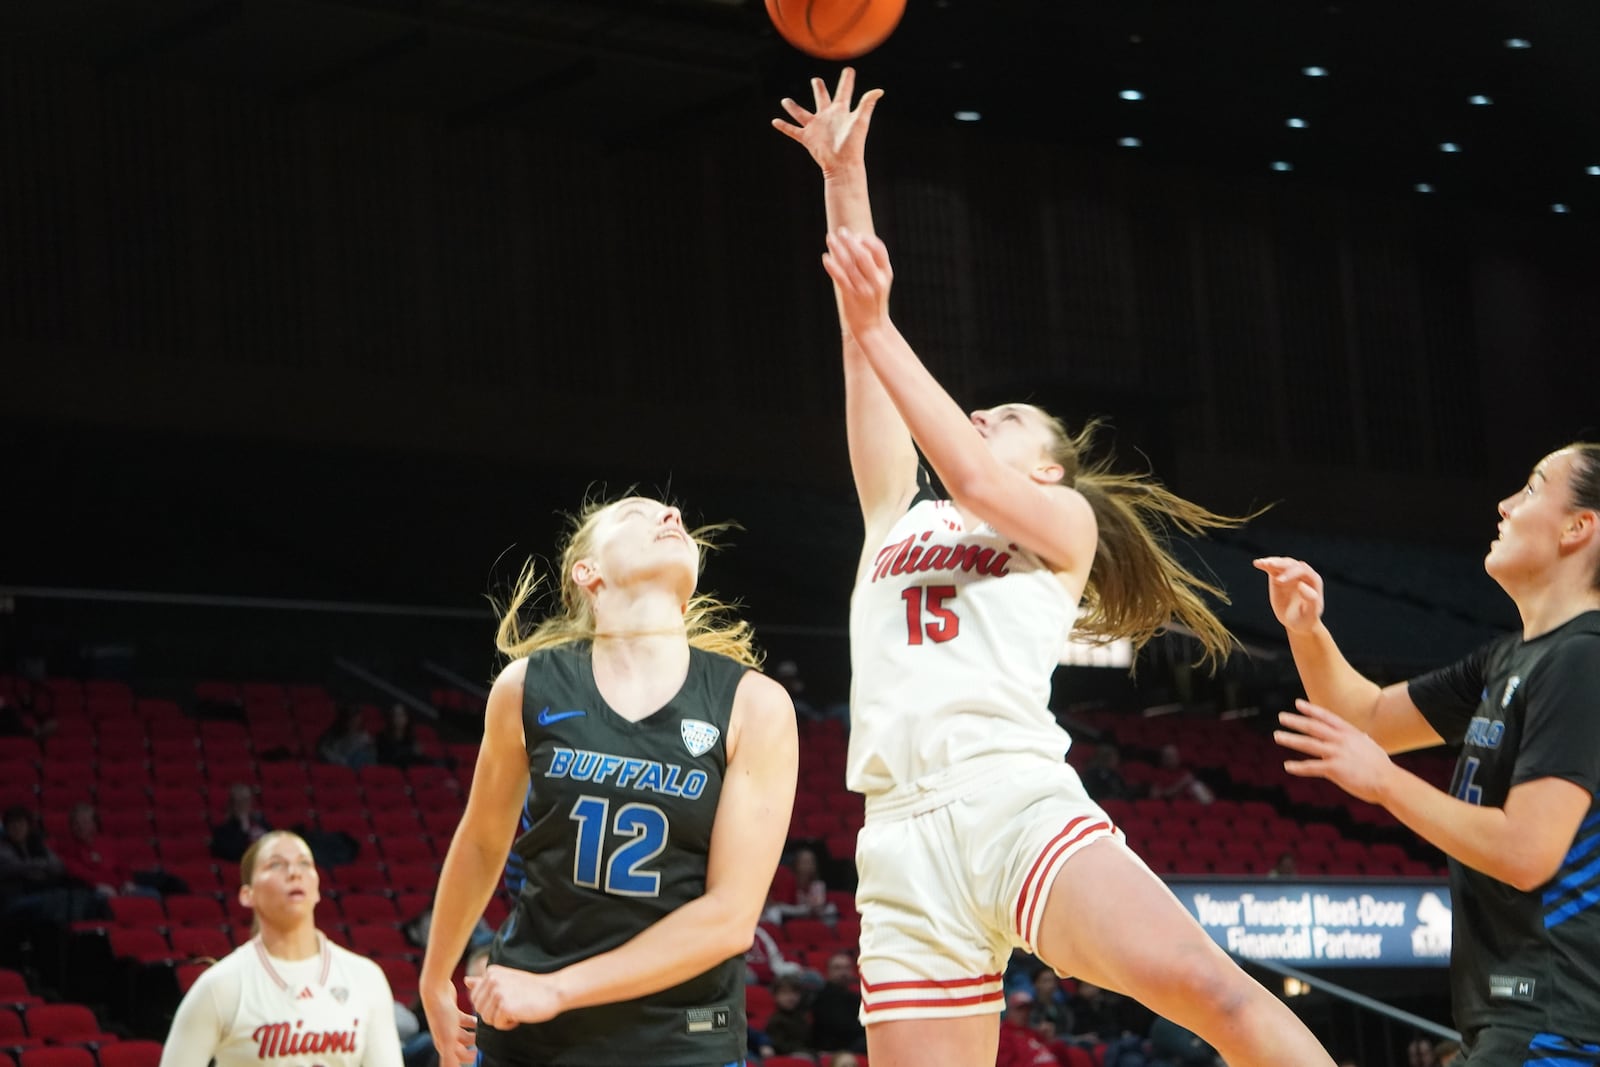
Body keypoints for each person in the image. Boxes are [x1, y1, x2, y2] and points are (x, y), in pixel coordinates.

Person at [773, 68, 1336, 1067]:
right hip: (899, 837)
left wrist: (882, 325)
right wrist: (843, 177)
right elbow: (863, 358)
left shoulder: (1058, 519)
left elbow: (970, 468)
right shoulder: (890, 514)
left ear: (1049, 463)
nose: (983, 416)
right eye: (979, 413)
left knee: (1211, 992)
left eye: (1009, 419)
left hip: (1010, 799)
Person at [419, 496, 799, 1067]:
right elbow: (480, 841)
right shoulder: (527, 687)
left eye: (673, 514)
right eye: (635, 515)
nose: (670, 514)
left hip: (682, 1037)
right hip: (532, 1039)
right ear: (587, 572)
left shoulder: (756, 704)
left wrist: (558, 989)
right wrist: (434, 979)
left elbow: (729, 918)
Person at [1258, 442, 1600, 1066]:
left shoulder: (1583, 659)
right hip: (1516, 1022)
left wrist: (1385, 784)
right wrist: (1307, 630)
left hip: (1557, 1028)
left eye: (1530, 489)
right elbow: (1366, 719)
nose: (1503, 505)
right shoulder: (1509, 657)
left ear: (1580, 527)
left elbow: (1526, 852)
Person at [159, 830, 404, 1066]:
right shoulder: (220, 985)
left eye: (305, 863)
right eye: (276, 864)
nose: (294, 873)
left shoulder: (365, 977)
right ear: (247, 894)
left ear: (317, 888)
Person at [764, 847, 838, 926]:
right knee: (774, 912)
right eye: (804, 862)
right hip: (790, 914)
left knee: (831, 909)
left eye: (811, 862)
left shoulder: (817, 885)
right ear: (796, 863)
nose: (808, 865)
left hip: (810, 915)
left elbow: (818, 906)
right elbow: (780, 904)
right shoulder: (787, 879)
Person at [211, 782, 271, 863]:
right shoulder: (223, 830)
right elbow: (234, 854)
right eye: (239, 801)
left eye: (246, 799)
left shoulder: (260, 821)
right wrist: (244, 829)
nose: (243, 804)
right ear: (232, 804)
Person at [318, 704, 377, 770]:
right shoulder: (331, 736)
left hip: (359, 772)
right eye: (353, 717)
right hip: (339, 770)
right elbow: (327, 754)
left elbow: (371, 762)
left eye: (358, 716)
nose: (356, 720)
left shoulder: (365, 737)